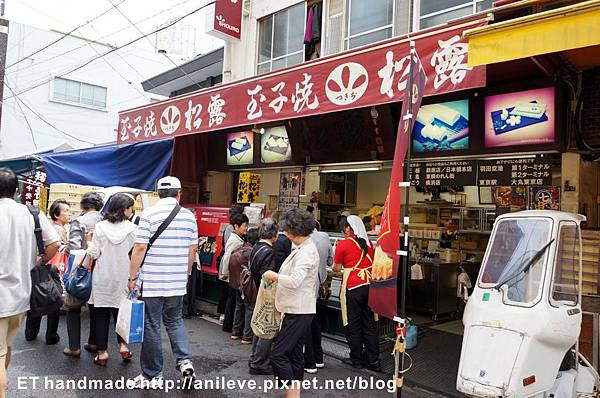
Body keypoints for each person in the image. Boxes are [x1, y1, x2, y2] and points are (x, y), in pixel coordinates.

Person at [128, 176, 198, 389]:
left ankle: (152, 375)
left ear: (158, 194)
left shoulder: (148, 214)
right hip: (176, 283)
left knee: (151, 325)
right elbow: (192, 249)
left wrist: (132, 278)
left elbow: (140, 248)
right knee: (175, 322)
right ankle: (185, 363)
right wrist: (184, 274)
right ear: (179, 193)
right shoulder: (188, 217)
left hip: (153, 282)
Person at [0, 168, 60, 398]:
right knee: (7, 347)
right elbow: (54, 242)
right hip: (21, 295)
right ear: (16, 190)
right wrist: (39, 260)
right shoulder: (32, 213)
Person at [263, 209, 319, 398]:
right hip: (299, 308)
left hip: (298, 310)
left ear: (295, 230)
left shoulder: (306, 252)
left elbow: (295, 280)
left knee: (278, 355)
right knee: (295, 355)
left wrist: (274, 276)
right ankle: (293, 395)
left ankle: (292, 393)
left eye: (287, 230)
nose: (285, 234)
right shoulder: (304, 248)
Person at [87, 193, 137, 366]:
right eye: (131, 207)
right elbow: (136, 255)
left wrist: (89, 243)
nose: (132, 210)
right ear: (124, 209)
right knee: (121, 312)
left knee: (101, 314)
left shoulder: (100, 227)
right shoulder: (133, 229)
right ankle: (123, 347)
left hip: (102, 276)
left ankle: (102, 353)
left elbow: (94, 253)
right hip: (123, 277)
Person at [333, 215, 381, 372]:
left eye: (343, 230)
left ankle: (357, 358)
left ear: (347, 228)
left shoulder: (343, 244)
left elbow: (337, 269)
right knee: (369, 323)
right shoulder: (368, 244)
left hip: (354, 286)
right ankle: (373, 360)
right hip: (369, 285)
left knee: (353, 323)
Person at [24, 198, 71, 344]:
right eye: (66, 211)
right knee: (52, 299)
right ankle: (51, 335)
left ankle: (31, 332)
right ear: (56, 215)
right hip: (51, 267)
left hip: (44, 267)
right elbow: (55, 245)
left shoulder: (63, 228)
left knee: (38, 297)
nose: (69, 214)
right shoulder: (56, 230)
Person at [64, 191, 104, 357]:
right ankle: (94, 342)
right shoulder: (105, 221)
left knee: (72, 307)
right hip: (101, 270)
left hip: (81, 270)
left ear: (83, 205)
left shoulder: (78, 221)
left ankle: (74, 347)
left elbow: (74, 248)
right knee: (96, 308)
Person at [248, 218, 278, 375]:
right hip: (266, 293)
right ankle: (259, 363)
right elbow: (268, 276)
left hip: (256, 291)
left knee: (259, 326)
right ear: (273, 234)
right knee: (267, 328)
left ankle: (254, 358)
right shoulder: (269, 252)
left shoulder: (255, 248)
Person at [303, 226, 332, 374]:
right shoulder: (325, 237)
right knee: (316, 325)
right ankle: (318, 358)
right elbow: (330, 261)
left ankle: (309, 362)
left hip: (306, 291)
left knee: (306, 325)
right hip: (319, 290)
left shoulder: (303, 241)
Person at [219, 213, 249, 339]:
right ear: (236, 226)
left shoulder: (239, 238)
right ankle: (232, 327)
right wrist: (224, 273)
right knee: (235, 303)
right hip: (233, 276)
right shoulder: (234, 240)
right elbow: (227, 258)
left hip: (234, 276)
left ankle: (232, 326)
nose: (246, 228)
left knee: (235, 302)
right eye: (244, 226)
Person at [228, 228, 258, 344]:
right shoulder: (251, 253)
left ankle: (235, 331)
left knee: (239, 307)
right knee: (249, 308)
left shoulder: (238, 249)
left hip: (236, 284)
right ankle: (247, 336)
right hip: (246, 286)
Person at [217, 204, 245, 325]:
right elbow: (228, 253)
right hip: (229, 265)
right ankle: (225, 317)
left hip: (227, 264)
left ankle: (224, 316)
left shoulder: (229, 228)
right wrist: (225, 272)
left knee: (228, 293)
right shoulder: (233, 232)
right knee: (228, 293)